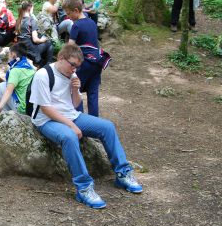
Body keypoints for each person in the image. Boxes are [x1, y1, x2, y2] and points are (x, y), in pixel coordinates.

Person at [29, 43, 142, 209]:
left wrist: (75, 90)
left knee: (107, 127)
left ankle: (123, 173)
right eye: (72, 65)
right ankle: (84, 187)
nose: (74, 69)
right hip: (46, 120)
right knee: (69, 136)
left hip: (71, 115)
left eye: (77, 66)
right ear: (61, 58)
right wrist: (71, 127)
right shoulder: (43, 75)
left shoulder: (72, 75)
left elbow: (74, 105)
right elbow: (46, 108)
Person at [65, 0, 111, 118]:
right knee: (93, 94)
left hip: (84, 63)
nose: (68, 17)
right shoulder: (91, 22)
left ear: (76, 10)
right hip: (97, 61)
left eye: (69, 14)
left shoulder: (76, 26)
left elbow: (70, 47)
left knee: (76, 90)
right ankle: (94, 123)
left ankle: (80, 120)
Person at [0, 43, 35, 114]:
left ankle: (6, 113)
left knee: (2, 86)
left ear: (13, 54)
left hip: (21, 109)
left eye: (9, 54)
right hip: (30, 107)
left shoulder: (15, 70)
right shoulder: (31, 68)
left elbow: (9, 91)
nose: (9, 56)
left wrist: (0, 106)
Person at [15, 1, 53, 68]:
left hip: (22, 50)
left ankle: (42, 62)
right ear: (29, 8)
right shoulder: (31, 20)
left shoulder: (18, 20)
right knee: (49, 42)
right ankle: (48, 65)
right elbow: (35, 40)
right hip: (31, 52)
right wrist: (43, 40)